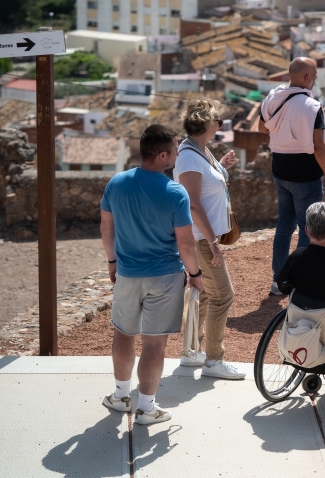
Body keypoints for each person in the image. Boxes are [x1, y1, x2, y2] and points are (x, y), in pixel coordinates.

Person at [101, 124, 205, 426]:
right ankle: (146, 408)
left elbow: (106, 228)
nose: (176, 154)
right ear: (162, 155)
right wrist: (195, 274)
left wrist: (112, 262)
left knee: (123, 333)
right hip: (164, 277)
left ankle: (121, 395)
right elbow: (185, 243)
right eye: (173, 150)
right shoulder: (175, 193)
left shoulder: (117, 183)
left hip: (127, 273)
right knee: (154, 343)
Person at [173, 99, 244, 380]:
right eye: (219, 121)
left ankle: (192, 351)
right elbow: (192, 203)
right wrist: (213, 241)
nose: (221, 125)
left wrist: (223, 167)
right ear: (206, 123)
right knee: (223, 295)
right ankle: (214, 360)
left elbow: (207, 184)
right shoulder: (189, 156)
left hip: (203, 236)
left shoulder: (199, 150)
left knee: (203, 294)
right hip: (201, 237)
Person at [259, 57, 325, 296]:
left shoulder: (273, 97)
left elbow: (262, 127)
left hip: (280, 170)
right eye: (313, 76)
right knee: (309, 228)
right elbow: (319, 146)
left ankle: (279, 280)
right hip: (305, 175)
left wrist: (285, 132)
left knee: (284, 226)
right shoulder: (312, 106)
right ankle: (301, 279)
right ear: (306, 78)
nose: (314, 81)